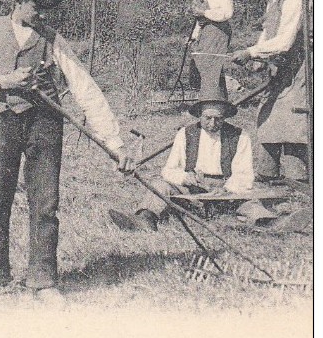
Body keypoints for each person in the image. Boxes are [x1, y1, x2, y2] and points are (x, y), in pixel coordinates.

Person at [0, 0, 131, 303]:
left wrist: (114, 142)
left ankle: (43, 280)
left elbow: (85, 89)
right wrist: (4, 81)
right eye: (37, 9)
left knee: (45, 204)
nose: (43, 17)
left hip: (44, 125)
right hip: (1, 121)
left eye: (48, 11)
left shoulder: (52, 39)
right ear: (19, 1)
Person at [108, 54, 272, 231]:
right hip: (191, 190)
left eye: (218, 119)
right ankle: (145, 219)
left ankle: (269, 222)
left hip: (225, 192)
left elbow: (244, 174)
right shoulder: (185, 134)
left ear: (225, 116)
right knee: (159, 186)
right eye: (207, 118)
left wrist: (226, 189)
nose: (212, 123)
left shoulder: (240, 136)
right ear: (199, 115)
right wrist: (185, 178)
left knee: (251, 200)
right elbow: (168, 170)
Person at [230, 0, 309, 181]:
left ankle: (298, 181)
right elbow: (268, 35)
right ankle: (267, 175)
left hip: (303, 67)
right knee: (266, 115)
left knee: (294, 120)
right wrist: (258, 59)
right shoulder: (273, 0)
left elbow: (285, 41)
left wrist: (250, 51)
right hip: (282, 67)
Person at [188, 0, 234, 89]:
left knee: (212, 64)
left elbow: (226, 13)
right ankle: (212, 97)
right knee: (204, 63)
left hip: (219, 31)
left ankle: (213, 99)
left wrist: (204, 13)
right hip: (208, 31)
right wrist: (194, 36)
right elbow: (202, 16)